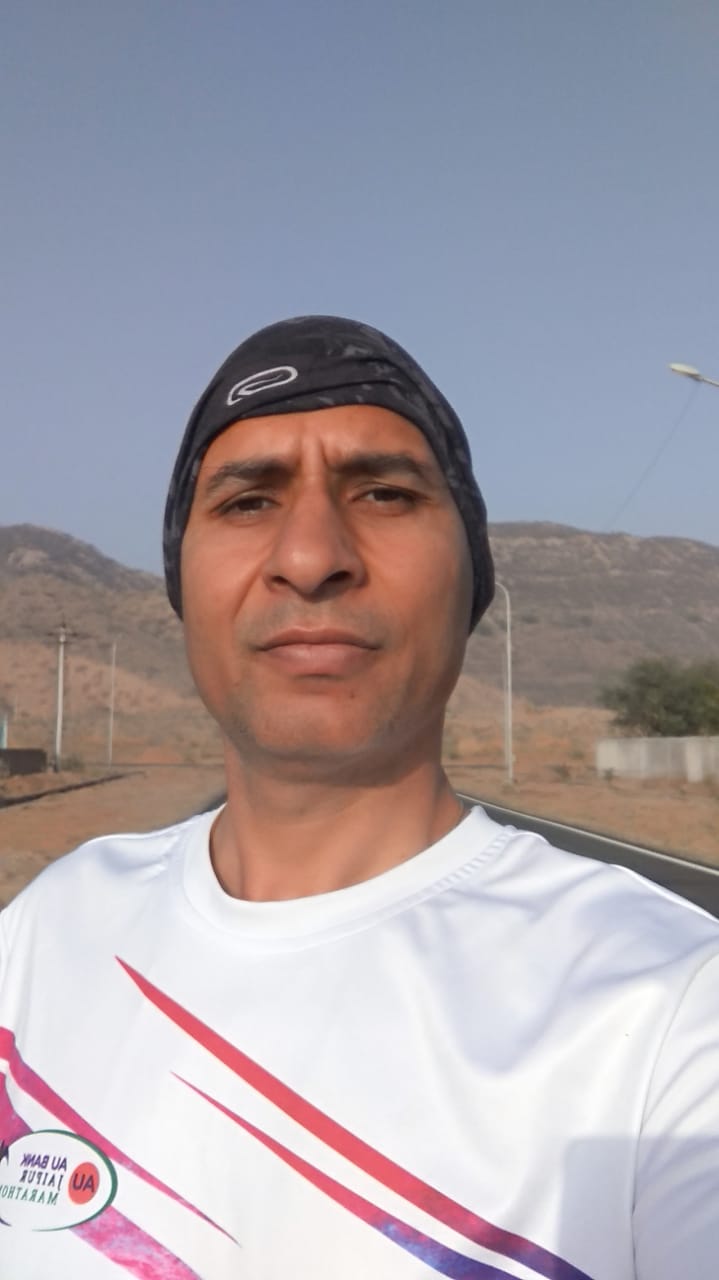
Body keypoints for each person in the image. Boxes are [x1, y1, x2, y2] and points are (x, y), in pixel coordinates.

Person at [0, 316, 717, 1280]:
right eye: (248, 501)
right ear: (182, 585)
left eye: (384, 493)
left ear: (470, 579)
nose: (309, 556)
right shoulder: (48, 929)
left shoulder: (673, 1006)